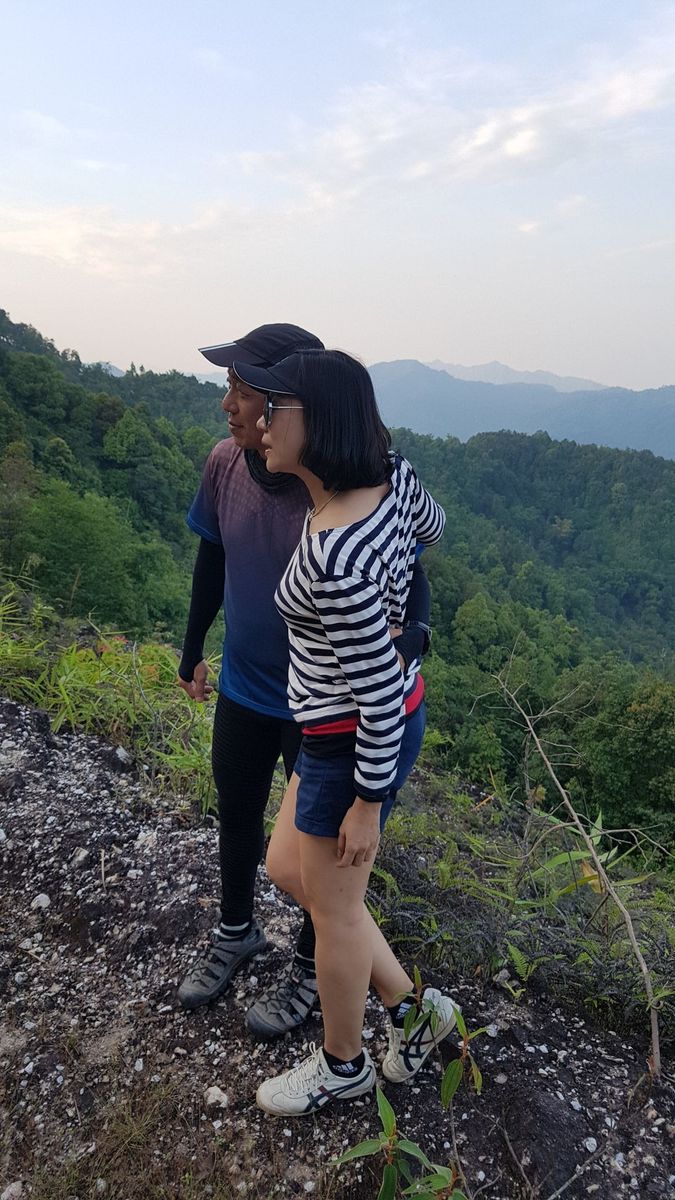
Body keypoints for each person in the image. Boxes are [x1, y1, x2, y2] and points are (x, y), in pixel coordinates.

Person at [176, 324, 433, 1042]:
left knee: (322, 876)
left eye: (245, 390)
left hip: (324, 712)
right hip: (248, 684)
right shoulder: (226, 465)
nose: (231, 405)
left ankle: (319, 987)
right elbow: (211, 559)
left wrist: (414, 635)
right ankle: (237, 932)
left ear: (286, 406)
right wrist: (192, 649)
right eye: (230, 388)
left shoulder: (328, 492)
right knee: (251, 825)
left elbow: (409, 562)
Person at [227, 348, 459, 1116]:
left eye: (274, 408)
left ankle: (342, 1063)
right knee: (289, 868)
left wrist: (366, 803)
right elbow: (430, 530)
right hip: (341, 728)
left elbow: (379, 694)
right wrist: (404, 615)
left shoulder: (334, 558)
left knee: (333, 913)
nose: (260, 422)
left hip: (351, 741)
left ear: (318, 420)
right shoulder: (392, 477)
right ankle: (417, 1013)